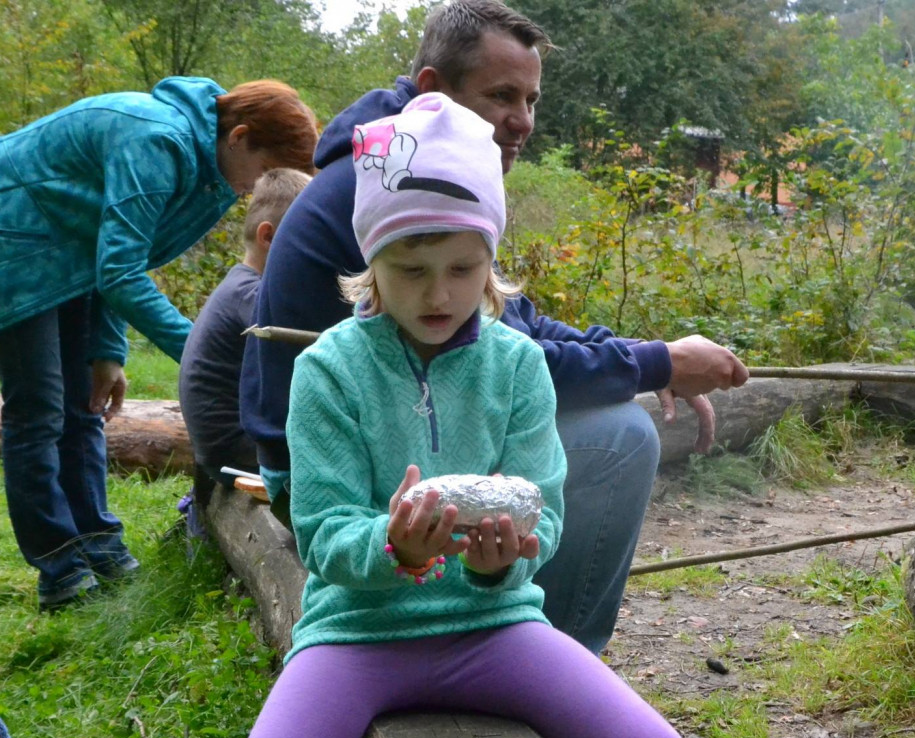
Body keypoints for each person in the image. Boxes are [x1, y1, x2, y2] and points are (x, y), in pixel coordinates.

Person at [240, 0, 748, 654]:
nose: (523, 121)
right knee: (623, 438)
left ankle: (527, 645)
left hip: (396, 444)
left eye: (532, 100)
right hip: (329, 478)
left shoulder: (415, 170)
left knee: (604, 422)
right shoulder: (386, 194)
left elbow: (518, 330)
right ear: (432, 91)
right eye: (502, 95)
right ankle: (556, 648)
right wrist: (656, 365)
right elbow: (525, 358)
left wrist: (651, 358)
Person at [236, 91, 701, 738]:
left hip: (496, 629)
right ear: (372, 264)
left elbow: (545, 515)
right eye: (410, 270)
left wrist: (500, 565)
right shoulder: (327, 370)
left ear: (491, 264)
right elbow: (323, 533)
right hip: (355, 636)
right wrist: (395, 546)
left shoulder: (517, 367)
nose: (439, 295)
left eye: (462, 268)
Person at [0, 77, 319, 611]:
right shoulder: (157, 141)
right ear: (239, 136)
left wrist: (107, 351)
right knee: (39, 411)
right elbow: (119, 270)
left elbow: (115, 250)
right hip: (15, 244)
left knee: (82, 409)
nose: (254, 190)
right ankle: (60, 568)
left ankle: (99, 545)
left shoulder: (208, 172)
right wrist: (200, 349)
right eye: (264, 173)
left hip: (66, 254)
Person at [178, 167, 312, 518]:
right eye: (307, 242)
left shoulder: (239, 285)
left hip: (223, 447)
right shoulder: (253, 296)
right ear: (269, 238)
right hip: (236, 451)